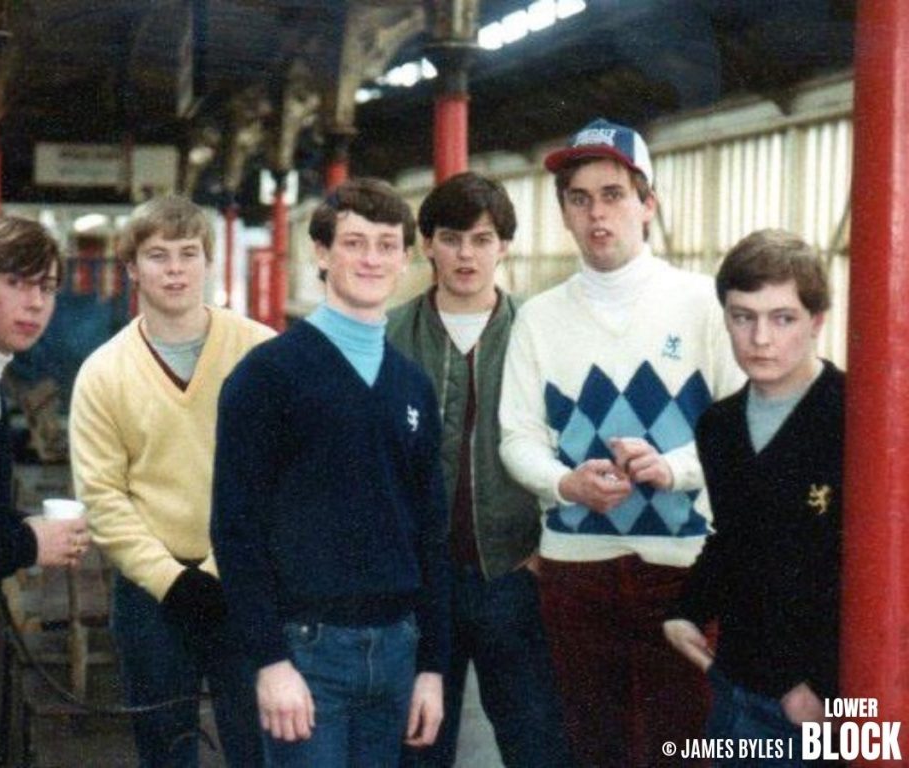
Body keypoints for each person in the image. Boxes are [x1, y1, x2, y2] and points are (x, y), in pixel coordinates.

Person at [498, 118, 744, 766]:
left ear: (647, 204)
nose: (597, 213)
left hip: (685, 565)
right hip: (575, 570)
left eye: (612, 194)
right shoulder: (537, 319)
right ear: (564, 214)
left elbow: (743, 428)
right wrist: (563, 484)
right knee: (594, 745)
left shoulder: (704, 304)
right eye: (579, 199)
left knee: (686, 745)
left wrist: (673, 468)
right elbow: (517, 436)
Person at [210, 178, 451, 767]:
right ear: (321, 253)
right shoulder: (266, 377)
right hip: (307, 652)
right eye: (354, 243)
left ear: (405, 257)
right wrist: (269, 661)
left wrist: (433, 668)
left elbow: (433, 535)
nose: (372, 259)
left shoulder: (412, 385)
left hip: (398, 651)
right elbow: (234, 529)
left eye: (387, 244)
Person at [69, 196, 273, 767]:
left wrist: (217, 570)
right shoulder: (103, 373)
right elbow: (103, 496)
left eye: (188, 253)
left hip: (249, 581)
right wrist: (173, 581)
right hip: (150, 596)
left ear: (208, 261)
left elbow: (281, 476)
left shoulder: (261, 352)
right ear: (132, 268)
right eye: (158, 256)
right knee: (164, 752)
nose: (176, 268)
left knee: (260, 746)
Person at [387, 171, 571, 768]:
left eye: (482, 238)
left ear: (504, 246)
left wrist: (549, 548)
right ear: (427, 244)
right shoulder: (389, 337)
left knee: (535, 741)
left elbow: (571, 444)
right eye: (451, 237)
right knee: (417, 746)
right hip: (416, 583)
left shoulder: (539, 334)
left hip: (512, 574)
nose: (466, 254)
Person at [664, 229, 843, 766]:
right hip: (735, 686)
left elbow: (867, 569)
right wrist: (686, 610)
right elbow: (735, 537)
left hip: (820, 706)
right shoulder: (718, 426)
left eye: (782, 318)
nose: (760, 337)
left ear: (817, 321)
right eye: (743, 316)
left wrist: (822, 684)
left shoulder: (858, 418)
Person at [0, 214, 90, 673]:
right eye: (16, 283)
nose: (35, 304)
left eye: (47, 288)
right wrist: (27, 542)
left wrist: (23, 528)